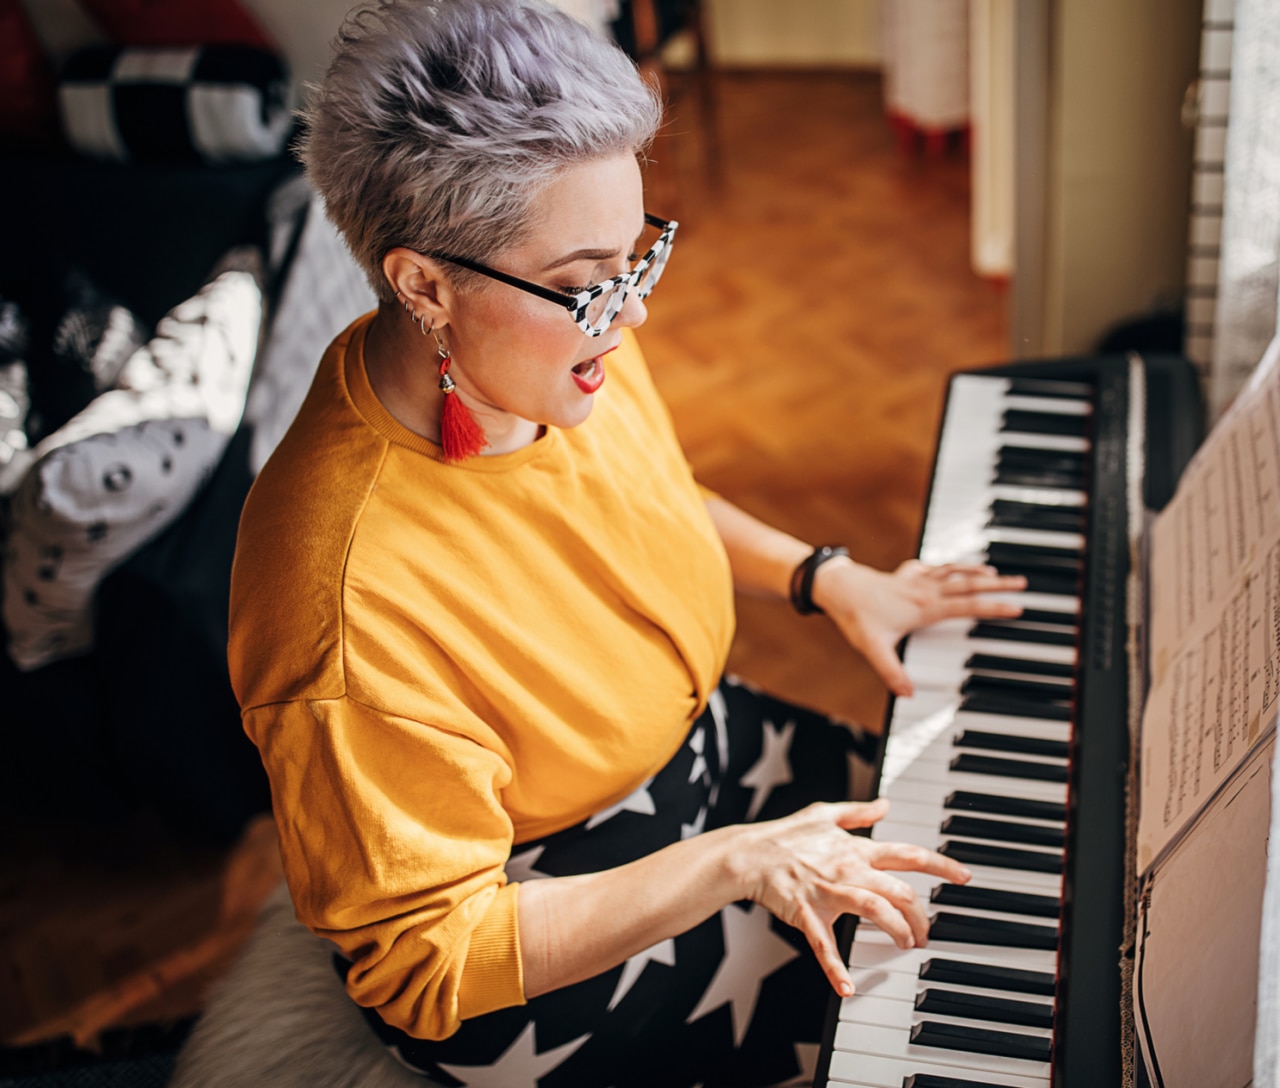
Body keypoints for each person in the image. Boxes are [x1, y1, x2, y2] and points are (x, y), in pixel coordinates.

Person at [227, 2, 1028, 1084]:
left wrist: (823, 576)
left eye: (636, 254)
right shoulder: (339, 599)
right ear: (423, 283)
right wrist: (735, 861)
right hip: (542, 929)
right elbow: (428, 956)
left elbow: (644, 497)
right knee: (930, 1040)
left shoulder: (545, 347)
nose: (631, 316)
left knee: (985, 874)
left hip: (703, 752)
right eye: (584, 280)